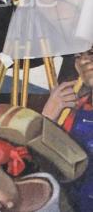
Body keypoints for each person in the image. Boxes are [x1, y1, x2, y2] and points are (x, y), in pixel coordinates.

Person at [42, 48, 93, 212]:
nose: (83, 61)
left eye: (92, 53)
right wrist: (48, 118)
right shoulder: (71, 110)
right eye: (78, 56)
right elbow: (46, 166)